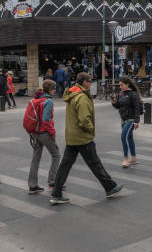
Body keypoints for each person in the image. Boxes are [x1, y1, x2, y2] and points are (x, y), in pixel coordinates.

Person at [50, 72, 123, 205]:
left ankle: (56, 193)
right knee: (95, 163)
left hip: (72, 137)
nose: (91, 83)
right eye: (90, 80)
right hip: (82, 137)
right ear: (84, 82)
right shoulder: (82, 97)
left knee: (65, 166)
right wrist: (90, 129)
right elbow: (84, 119)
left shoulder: (72, 94)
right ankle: (110, 187)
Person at [27, 80, 61, 194]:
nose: (55, 90)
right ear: (50, 89)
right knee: (56, 155)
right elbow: (46, 120)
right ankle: (52, 181)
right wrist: (53, 133)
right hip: (44, 133)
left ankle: (32, 185)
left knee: (35, 159)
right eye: (54, 88)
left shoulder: (38, 99)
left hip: (34, 132)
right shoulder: (48, 101)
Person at [111, 75, 142, 168]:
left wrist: (137, 121)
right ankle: (133, 158)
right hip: (123, 120)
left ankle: (126, 159)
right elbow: (118, 106)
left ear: (127, 84)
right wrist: (113, 102)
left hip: (131, 120)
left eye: (122, 85)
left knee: (123, 137)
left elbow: (137, 108)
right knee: (129, 138)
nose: (120, 87)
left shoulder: (133, 94)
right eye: (119, 85)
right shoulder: (120, 94)